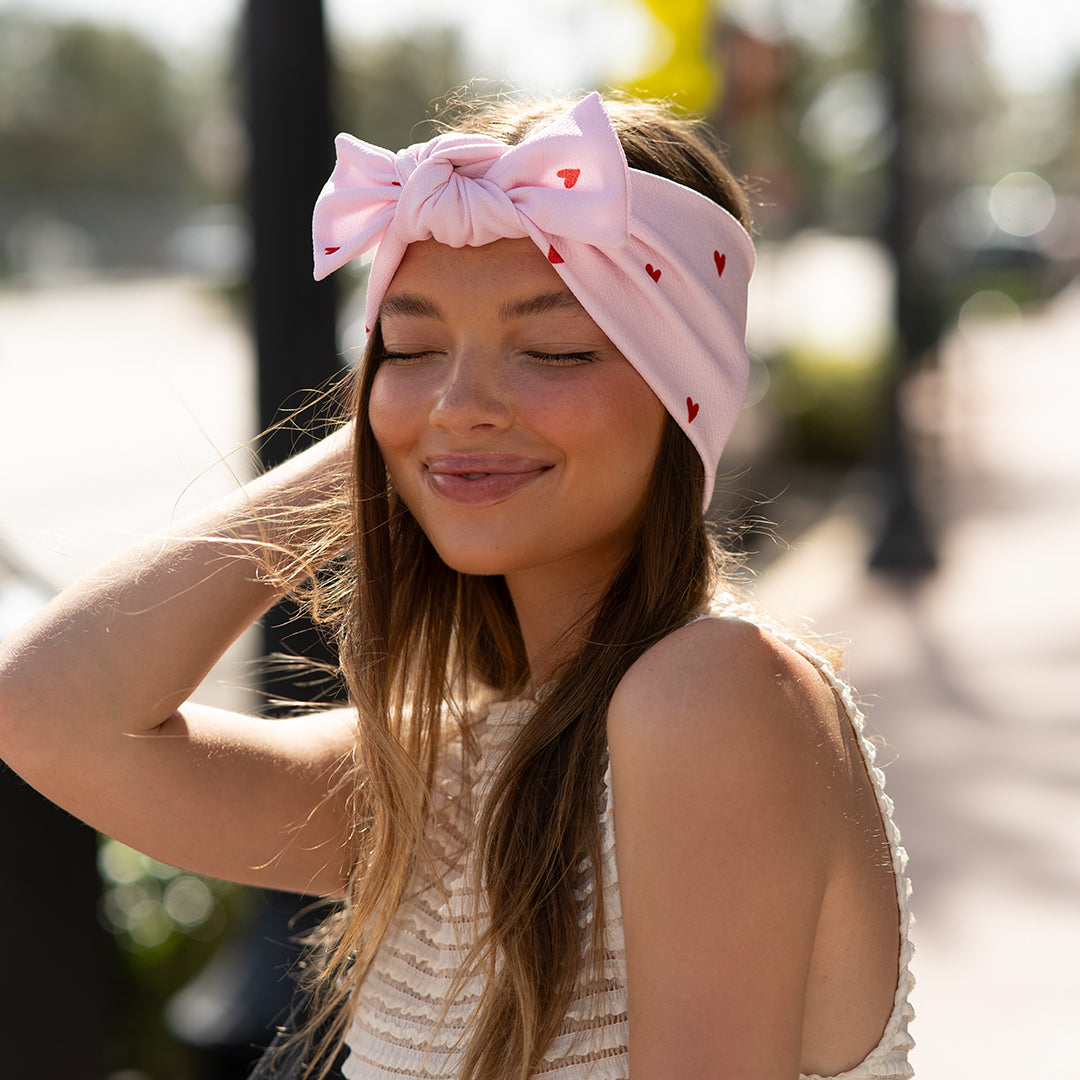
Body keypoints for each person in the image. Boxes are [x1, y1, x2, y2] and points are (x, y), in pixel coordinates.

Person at [0, 92, 913, 1080]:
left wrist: (433, 417)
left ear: (682, 388)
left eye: (555, 349)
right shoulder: (438, 766)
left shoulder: (713, 692)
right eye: (412, 346)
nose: (461, 403)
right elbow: (47, 710)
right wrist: (401, 440)